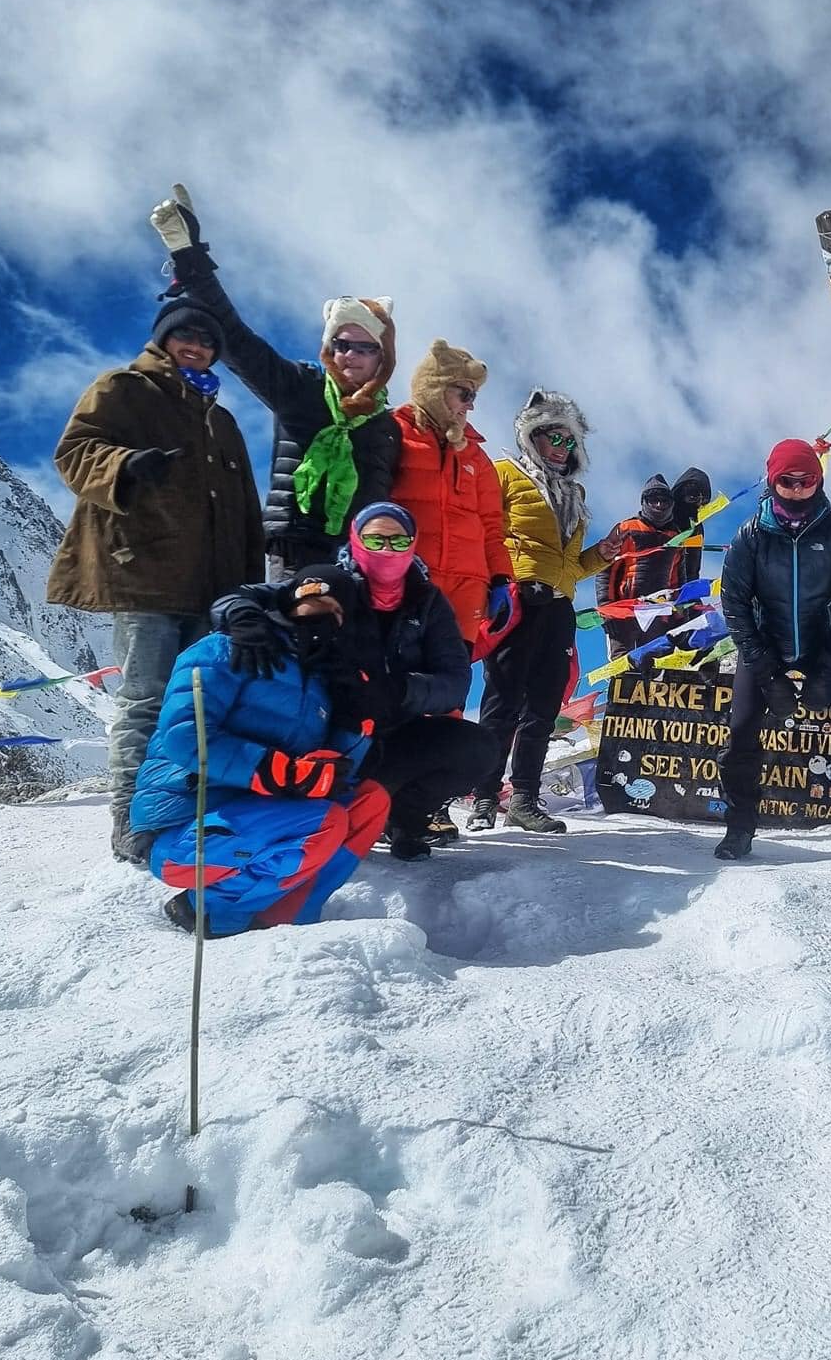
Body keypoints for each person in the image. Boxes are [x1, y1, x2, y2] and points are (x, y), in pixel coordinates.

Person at [47, 294, 264, 866]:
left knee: (195, 704)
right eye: (184, 336)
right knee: (145, 699)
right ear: (162, 339)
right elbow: (73, 452)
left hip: (210, 585)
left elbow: (244, 507)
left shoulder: (221, 419)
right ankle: (128, 817)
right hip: (142, 572)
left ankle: (179, 806)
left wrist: (246, 589)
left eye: (207, 341)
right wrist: (123, 466)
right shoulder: (124, 388)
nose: (196, 347)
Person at [213, 502, 497, 861]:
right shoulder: (329, 584)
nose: (387, 550)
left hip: (392, 729)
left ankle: (401, 818)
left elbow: (455, 681)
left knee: (477, 747)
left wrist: (398, 690)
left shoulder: (427, 601)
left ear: (412, 543)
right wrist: (241, 616)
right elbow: (241, 596)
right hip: (325, 728)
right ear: (356, 539)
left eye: (398, 541)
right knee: (324, 819)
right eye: (376, 540)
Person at [150, 185, 401, 580]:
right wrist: (190, 257)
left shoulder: (387, 426)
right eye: (340, 344)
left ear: (382, 358)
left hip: (362, 560)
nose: (349, 354)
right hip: (294, 555)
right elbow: (235, 338)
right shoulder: (301, 388)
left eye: (364, 347)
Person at [129, 566, 389, 937]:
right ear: (289, 601)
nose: (321, 613)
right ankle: (207, 913)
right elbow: (185, 735)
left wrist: (353, 722)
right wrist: (277, 770)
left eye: (335, 610)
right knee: (323, 821)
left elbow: (334, 776)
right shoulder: (224, 647)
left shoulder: (319, 683)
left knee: (368, 802)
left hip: (254, 817)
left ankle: (288, 917)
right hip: (183, 824)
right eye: (312, 600)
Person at [469, 389, 618, 835]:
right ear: (532, 436)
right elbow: (484, 535)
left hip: (559, 607)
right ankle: (482, 796)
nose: (561, 447)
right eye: (554, 437)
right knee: (502, 703)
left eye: (570, 441)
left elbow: (570, 564)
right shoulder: (505, 474)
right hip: (517, 602)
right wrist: (494, 588)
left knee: (543, 709)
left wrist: (602, 555)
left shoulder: (574, 493)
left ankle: (525, 799)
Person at [715, 438, 831, 860]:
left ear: (819, 480)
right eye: (788, 480)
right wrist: (765, 671)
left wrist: (829, 670)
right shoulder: (751, 534)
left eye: (807, 480)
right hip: (766, 642)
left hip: (823, 641)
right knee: (742, 728)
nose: (798, 488)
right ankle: (740, 826)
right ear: (773, 481)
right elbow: (734, 602)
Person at [389, 338, 512, 652]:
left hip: (467, 593)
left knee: (449, 693)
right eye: (465, 394)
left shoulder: (477, 458)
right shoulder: (393, 432)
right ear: (435, 388)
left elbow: (492, 525)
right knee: (393, 687)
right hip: (406, 582)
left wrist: (500, 580)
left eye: (474, 396)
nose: (471, 405)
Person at [597, 471, 707, 658]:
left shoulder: (676, 536)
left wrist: (679, 613)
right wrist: (607, 609)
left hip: (659, 614)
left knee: (656, 673)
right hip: (624, 613)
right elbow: (606, 571)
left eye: (664, 501)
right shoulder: (626, 528)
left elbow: (677, 579)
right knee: (624, 672)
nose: (659, 505)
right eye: (653, 500)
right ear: (644, 502)